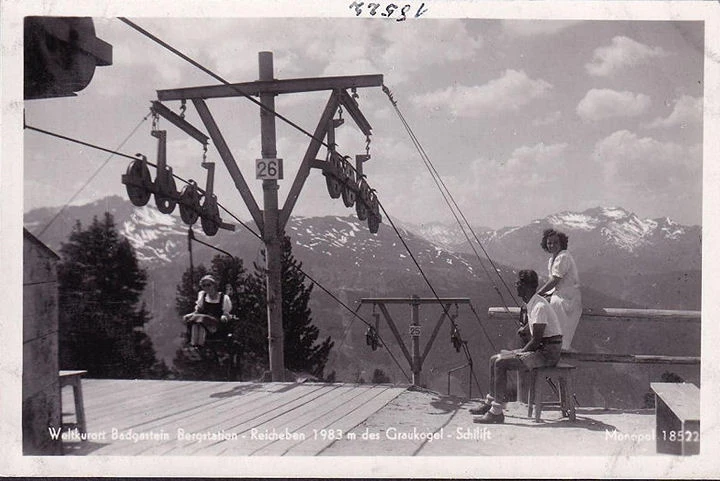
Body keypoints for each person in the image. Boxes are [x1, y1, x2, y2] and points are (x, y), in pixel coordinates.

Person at [472, 270, 563, 424]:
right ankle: (491, 403)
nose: (516, 286)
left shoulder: (539, 306)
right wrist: (525, 331)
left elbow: (536, 340)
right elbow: (536, 330)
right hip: (542, 349)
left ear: (527, 286)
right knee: (494, 359)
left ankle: (497, 411)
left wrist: (520, 352)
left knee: (501, 363)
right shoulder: (533, 303)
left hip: (547, 353)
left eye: (519, 283)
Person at [536, 228, 582, 350]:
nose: (552, 245)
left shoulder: (563, 256)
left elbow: (555, 280)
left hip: (568, 296)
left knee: (550, 309)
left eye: (556, 243)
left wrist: (538, 293)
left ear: (562, 243)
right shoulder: (552, 259)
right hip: (561, 293)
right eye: (549, 243)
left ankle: (554, 345)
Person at [183, 274, 232, 348]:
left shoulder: (223, 298)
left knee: (202, 319)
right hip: (202, 322)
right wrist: (189, 315)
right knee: (197, 323)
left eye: (208, 285)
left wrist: (224, 317)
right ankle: (196, 345)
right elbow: (198, 311)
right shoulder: (202, 296)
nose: (206, 287)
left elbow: (226, 313)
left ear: (214, 285)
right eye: (204, 285)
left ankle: (198, 345)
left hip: (215, 324)